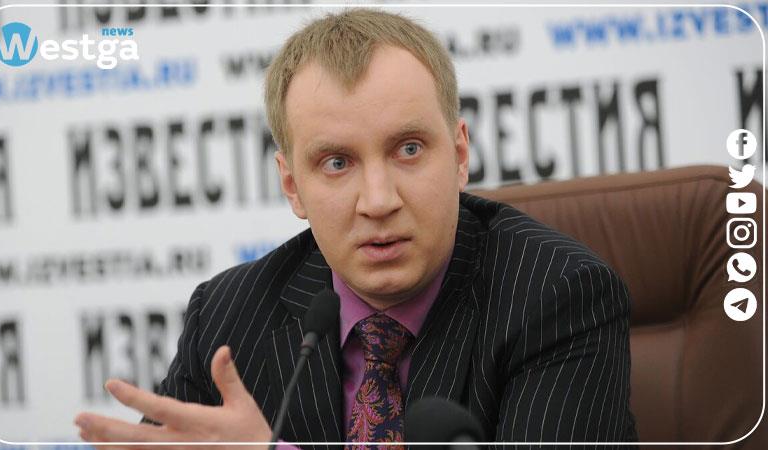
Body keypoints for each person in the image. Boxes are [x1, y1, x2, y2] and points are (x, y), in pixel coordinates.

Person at [74, 8, 638, 448]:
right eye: (337, 163)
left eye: (408, 149)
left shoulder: (558, 295)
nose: (378, 200)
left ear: (460, 155)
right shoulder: (225, 318)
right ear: (293, 186)